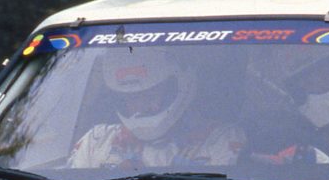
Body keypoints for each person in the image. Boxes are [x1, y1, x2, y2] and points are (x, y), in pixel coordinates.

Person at [68, 48, 244, 170]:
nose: (144, 105)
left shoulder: (220, 139)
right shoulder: (97, 141)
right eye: (133, 97)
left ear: (177, 88)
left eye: (152, 94)